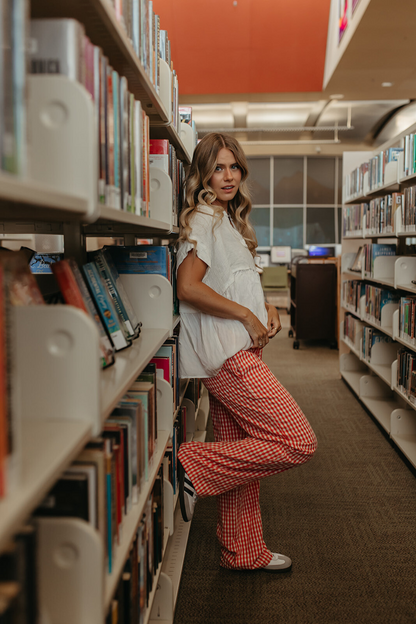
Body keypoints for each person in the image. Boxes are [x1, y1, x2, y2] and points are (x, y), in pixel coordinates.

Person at [176, 132, 317, 572]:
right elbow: (188, 287)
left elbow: (232, 280)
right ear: (202, 174)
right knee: (297, 441)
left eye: (234, 166)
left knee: (245, 450)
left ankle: (243, 550)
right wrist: (247, 316)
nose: (228, 175)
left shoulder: (227, 220)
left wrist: (266, 306)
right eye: (217, 167)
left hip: (239, 351)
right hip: (228, 356)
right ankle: (191, 462)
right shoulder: (202, 218)